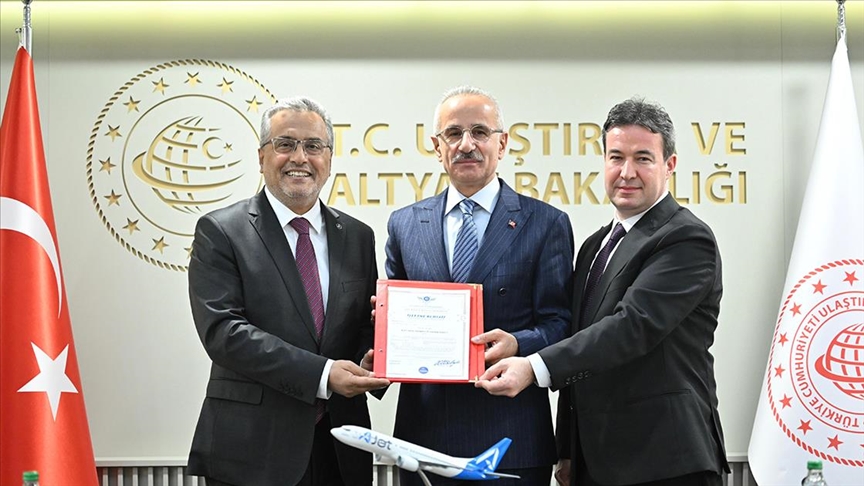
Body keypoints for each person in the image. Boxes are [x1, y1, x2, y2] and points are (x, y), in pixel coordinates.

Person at [476, 97, 729, 486]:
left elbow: (632, 326)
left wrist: (533, 367)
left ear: (670, 165)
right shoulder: (595, 246)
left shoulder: (686, 238)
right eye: (616, 157)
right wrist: (568, 448)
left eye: (643, 158)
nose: (627, 172)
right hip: (596, 462)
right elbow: (580, 339)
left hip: (666, 461)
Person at [187, 97, 390, 486]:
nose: (300, 157)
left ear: (328, 159)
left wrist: (371, 357)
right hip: (252, 450)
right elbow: (224, 333)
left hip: (340, 449)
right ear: (262, 156)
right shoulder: (221, 231)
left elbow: (361, 327)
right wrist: (324, 374)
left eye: (313, 146)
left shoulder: (358, 236)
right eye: (285, 144)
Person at [384, 86, 575, 485]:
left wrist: (518, 343)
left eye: (480, 132)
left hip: (511, 438)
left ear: (502, 144)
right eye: (453, 134)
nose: (466, 144)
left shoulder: (546, 224)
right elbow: (395, 320)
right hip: (423, 441)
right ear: (437, 147)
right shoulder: (404, 224)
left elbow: (561, 323)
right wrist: (384, 335)